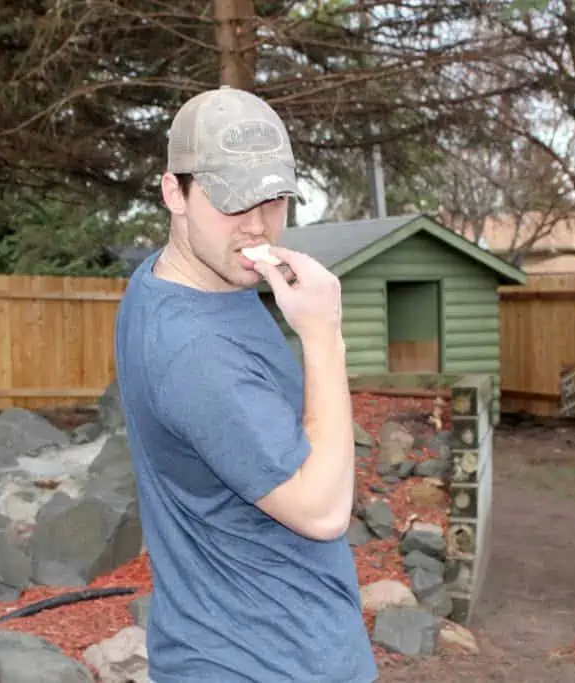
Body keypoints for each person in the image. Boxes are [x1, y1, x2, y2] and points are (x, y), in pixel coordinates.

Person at [113, 85, 378, 683]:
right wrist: (323, 338)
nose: (257, 226)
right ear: (172, 193)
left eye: (274, 198)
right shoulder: (194, 351)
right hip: (258, 662)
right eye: (231, 201)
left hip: (253, 644)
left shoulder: (179, 280)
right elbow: (321, 510)